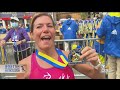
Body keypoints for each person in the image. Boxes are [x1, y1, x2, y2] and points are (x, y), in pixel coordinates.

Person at [16, 13, 105, 79]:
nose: (45, 29)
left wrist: (98, 64)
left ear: (55, 31)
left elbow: (101, 76)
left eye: (49, 26)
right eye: (39, 26)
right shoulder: (23, 64)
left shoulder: (71, 55)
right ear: (32, 34)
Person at [96, 12, 120, 79]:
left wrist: (97, 29)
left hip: (110, 49)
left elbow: (100, 34)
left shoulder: (106, 19)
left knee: (111, 70)